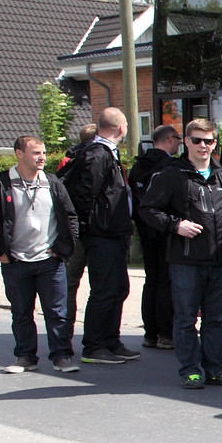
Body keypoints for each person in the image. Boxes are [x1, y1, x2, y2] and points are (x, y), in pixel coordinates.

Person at [140, 121, 222, 389]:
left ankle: (215, 368)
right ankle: (190, 370)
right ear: (185, 141)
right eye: (197, 140)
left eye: (209, 141)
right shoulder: (171, 174)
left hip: (220, 258)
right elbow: (149, 210)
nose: (203, 146)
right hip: (186, 260)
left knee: (215, 318)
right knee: (186, 318)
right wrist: (177, 226)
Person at [0, 135, 79, 373]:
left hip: (50, 260)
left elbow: (71, 217)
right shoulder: (1, 184)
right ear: (19, 154)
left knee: (57, 312)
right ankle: (25, 357)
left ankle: (61, 357)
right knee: (21, 312)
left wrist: (62, 250)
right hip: (15, 261)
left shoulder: (53, 182)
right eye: (36, 153)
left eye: (43, 153)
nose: (42, 157)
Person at [62, 107, 136, 365]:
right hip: (101, 233)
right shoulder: (99, 154)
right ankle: (94, 346)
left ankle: (111, 341)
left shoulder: (106, 153)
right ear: (121, 129)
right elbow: (85, 194)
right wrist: (89, 226)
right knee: (104, 289)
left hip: (112, 232)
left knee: (118, 288)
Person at [129, 125, 179, 351]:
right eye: (178, 139)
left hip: (145, 229)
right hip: (165, 229)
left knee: (151, 280)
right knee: (166, 281)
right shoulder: (170, 167)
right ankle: (166, 334)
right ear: (169, 139)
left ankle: (150, 333)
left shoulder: (139, 165)